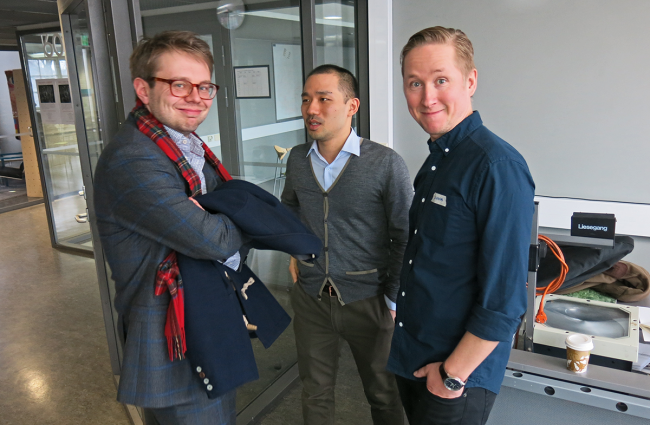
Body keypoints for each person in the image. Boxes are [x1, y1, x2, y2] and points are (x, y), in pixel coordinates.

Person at [387, 26, 535, 425]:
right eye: (414, 83)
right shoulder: (439, 160)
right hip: (415, 354)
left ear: (470, 81)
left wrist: (451, 377)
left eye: (441, 80)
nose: (427, 97)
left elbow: (505, 301)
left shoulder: (497, 166)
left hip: (456, 376)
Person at [93, 31, 243, 424]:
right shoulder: (134, 159)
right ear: (143, 89)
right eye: (179, 84)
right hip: (173, 343)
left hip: (203, 319)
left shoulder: (185, 146)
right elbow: (216, 240)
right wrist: (241, 216)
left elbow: (221, 217)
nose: (196, 97)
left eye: (204, 86)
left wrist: (219, 213)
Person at [281, 64, 412, 425]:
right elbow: (289, 209)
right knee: (315, 392)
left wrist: (392, 299)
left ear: (352, 106)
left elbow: (405, 234)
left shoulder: (385, 163)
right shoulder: (297, 158)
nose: (312, 109)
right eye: (306, 99)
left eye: (324, 99)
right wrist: (296, 251)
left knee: (384, 395)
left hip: (370, 299)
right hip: (311, 299)